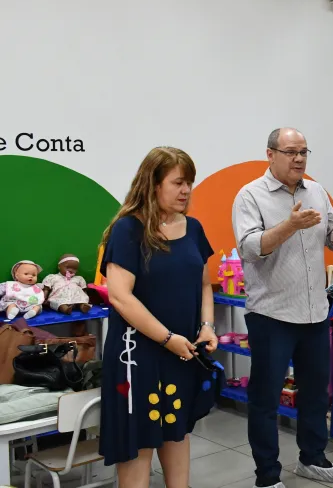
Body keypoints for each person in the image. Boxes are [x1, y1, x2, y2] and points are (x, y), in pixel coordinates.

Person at [232, 128, 333, 488]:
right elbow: (250, 248)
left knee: (314, 393)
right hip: (271, 315)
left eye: (304, 152)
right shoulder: (250, 196)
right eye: (291, 152)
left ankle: (313, 459)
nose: (299, 159)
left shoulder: (317, 191)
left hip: (314, 311)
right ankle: (267, 476)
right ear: (270, 154)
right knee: (264, 400)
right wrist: (289, 226)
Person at [98, 147, 219, 488]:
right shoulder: (129, 230)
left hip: (181, 352)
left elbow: (205, 284)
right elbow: (121, 296)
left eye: (189, 183)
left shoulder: (193, 229)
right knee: (138, 444)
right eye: (178, 182)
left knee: (176, 433)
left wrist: (207, 326)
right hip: (137, 355)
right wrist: (167, 338)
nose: (186, 191)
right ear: (153, 184)